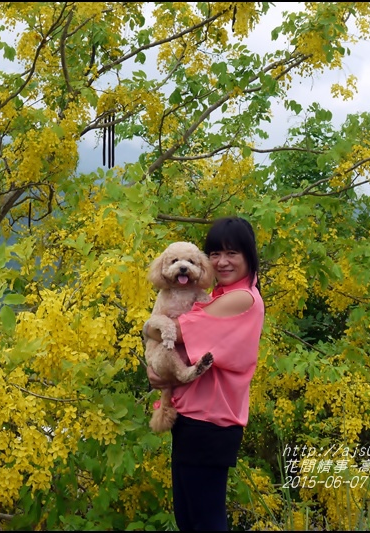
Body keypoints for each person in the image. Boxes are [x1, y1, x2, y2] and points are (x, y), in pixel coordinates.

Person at [145, 216, 265, 531]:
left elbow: (177, 333)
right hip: (194, 418)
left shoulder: (242, 298)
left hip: (210, 423)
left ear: (249, 256)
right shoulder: (220, 297)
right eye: (215, 253)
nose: (221, 262)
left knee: (205, 521)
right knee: (189, 518)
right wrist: (156, 367)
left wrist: (148, 328)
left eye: (232, 253)